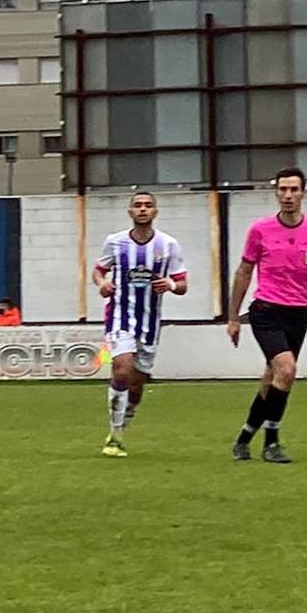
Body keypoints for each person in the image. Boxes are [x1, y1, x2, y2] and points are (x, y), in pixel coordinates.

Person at [227, 167, 307, 464]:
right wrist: (232, 318)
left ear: (304, 193)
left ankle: (243, 439)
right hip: (266, 310)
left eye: (294, 190)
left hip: (297, 313)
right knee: (287, 371)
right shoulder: (260, 230)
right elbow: (243, 272)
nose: (288, 195)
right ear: (276, 193)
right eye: (283, 190)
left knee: (273, 378)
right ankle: (272, 442)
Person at [92, 191, 187, 458]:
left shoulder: (168, 245)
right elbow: (99, 270)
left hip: (149, 324)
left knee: (137, 383)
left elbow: (182, 284)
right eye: (137, 205)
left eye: (148, 206)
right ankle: (114, 436)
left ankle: (125, 418)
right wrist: (103, 284)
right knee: (121, 369)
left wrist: (168, 284)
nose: (143, 209)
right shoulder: (115, 242)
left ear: (155, 212)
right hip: (119, 319)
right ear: (130, 212)